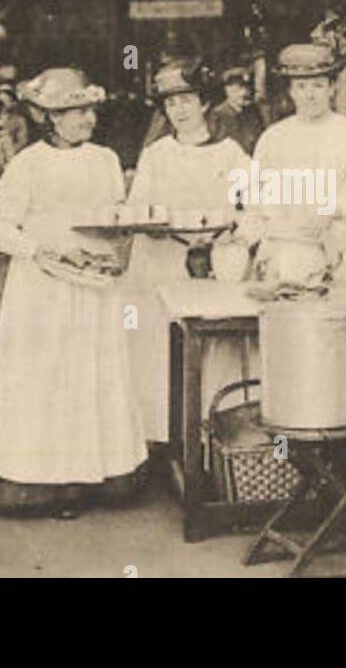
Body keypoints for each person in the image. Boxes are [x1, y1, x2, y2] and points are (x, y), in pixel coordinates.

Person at [0, 68, 146, 518]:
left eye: (89, 109)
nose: (86, 119)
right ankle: (48, 483)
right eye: (73, 112)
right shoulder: (28, 163)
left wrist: (119, 237)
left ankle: (95, 474)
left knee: (91, 371)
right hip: (43, 287)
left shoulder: (106, 159)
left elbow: (112, 215)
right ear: (48, 117)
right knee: (47, 375)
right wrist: (39, 249)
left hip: (93, 283)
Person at [124, 59, 253, 443]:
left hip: (214, 260)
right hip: (162, 260)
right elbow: (138, 207)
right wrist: (156, 225)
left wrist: (232, 233)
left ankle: (211, 437)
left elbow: (255, 206)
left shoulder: (231, 154)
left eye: (186, 100)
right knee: (156, 345)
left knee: (214, 350)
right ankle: (160, 438)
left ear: (203, 103)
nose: (178, 110)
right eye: (170, 103)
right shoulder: (156, 154)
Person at [247, 42, 346, 294]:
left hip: (339, 248)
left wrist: (330, 209)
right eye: (301, 86)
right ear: (291, 91)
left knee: (343, 325)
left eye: (318, 85)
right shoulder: (273, 137)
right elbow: (257, 194)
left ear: (332, 88)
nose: (310, 94)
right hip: (286, 249)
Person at [210, 65, 267, 154]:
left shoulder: (252, 111)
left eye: (246, 89)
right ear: (227, 90)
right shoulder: (218, 114)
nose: (243, 93)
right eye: (238, 89)